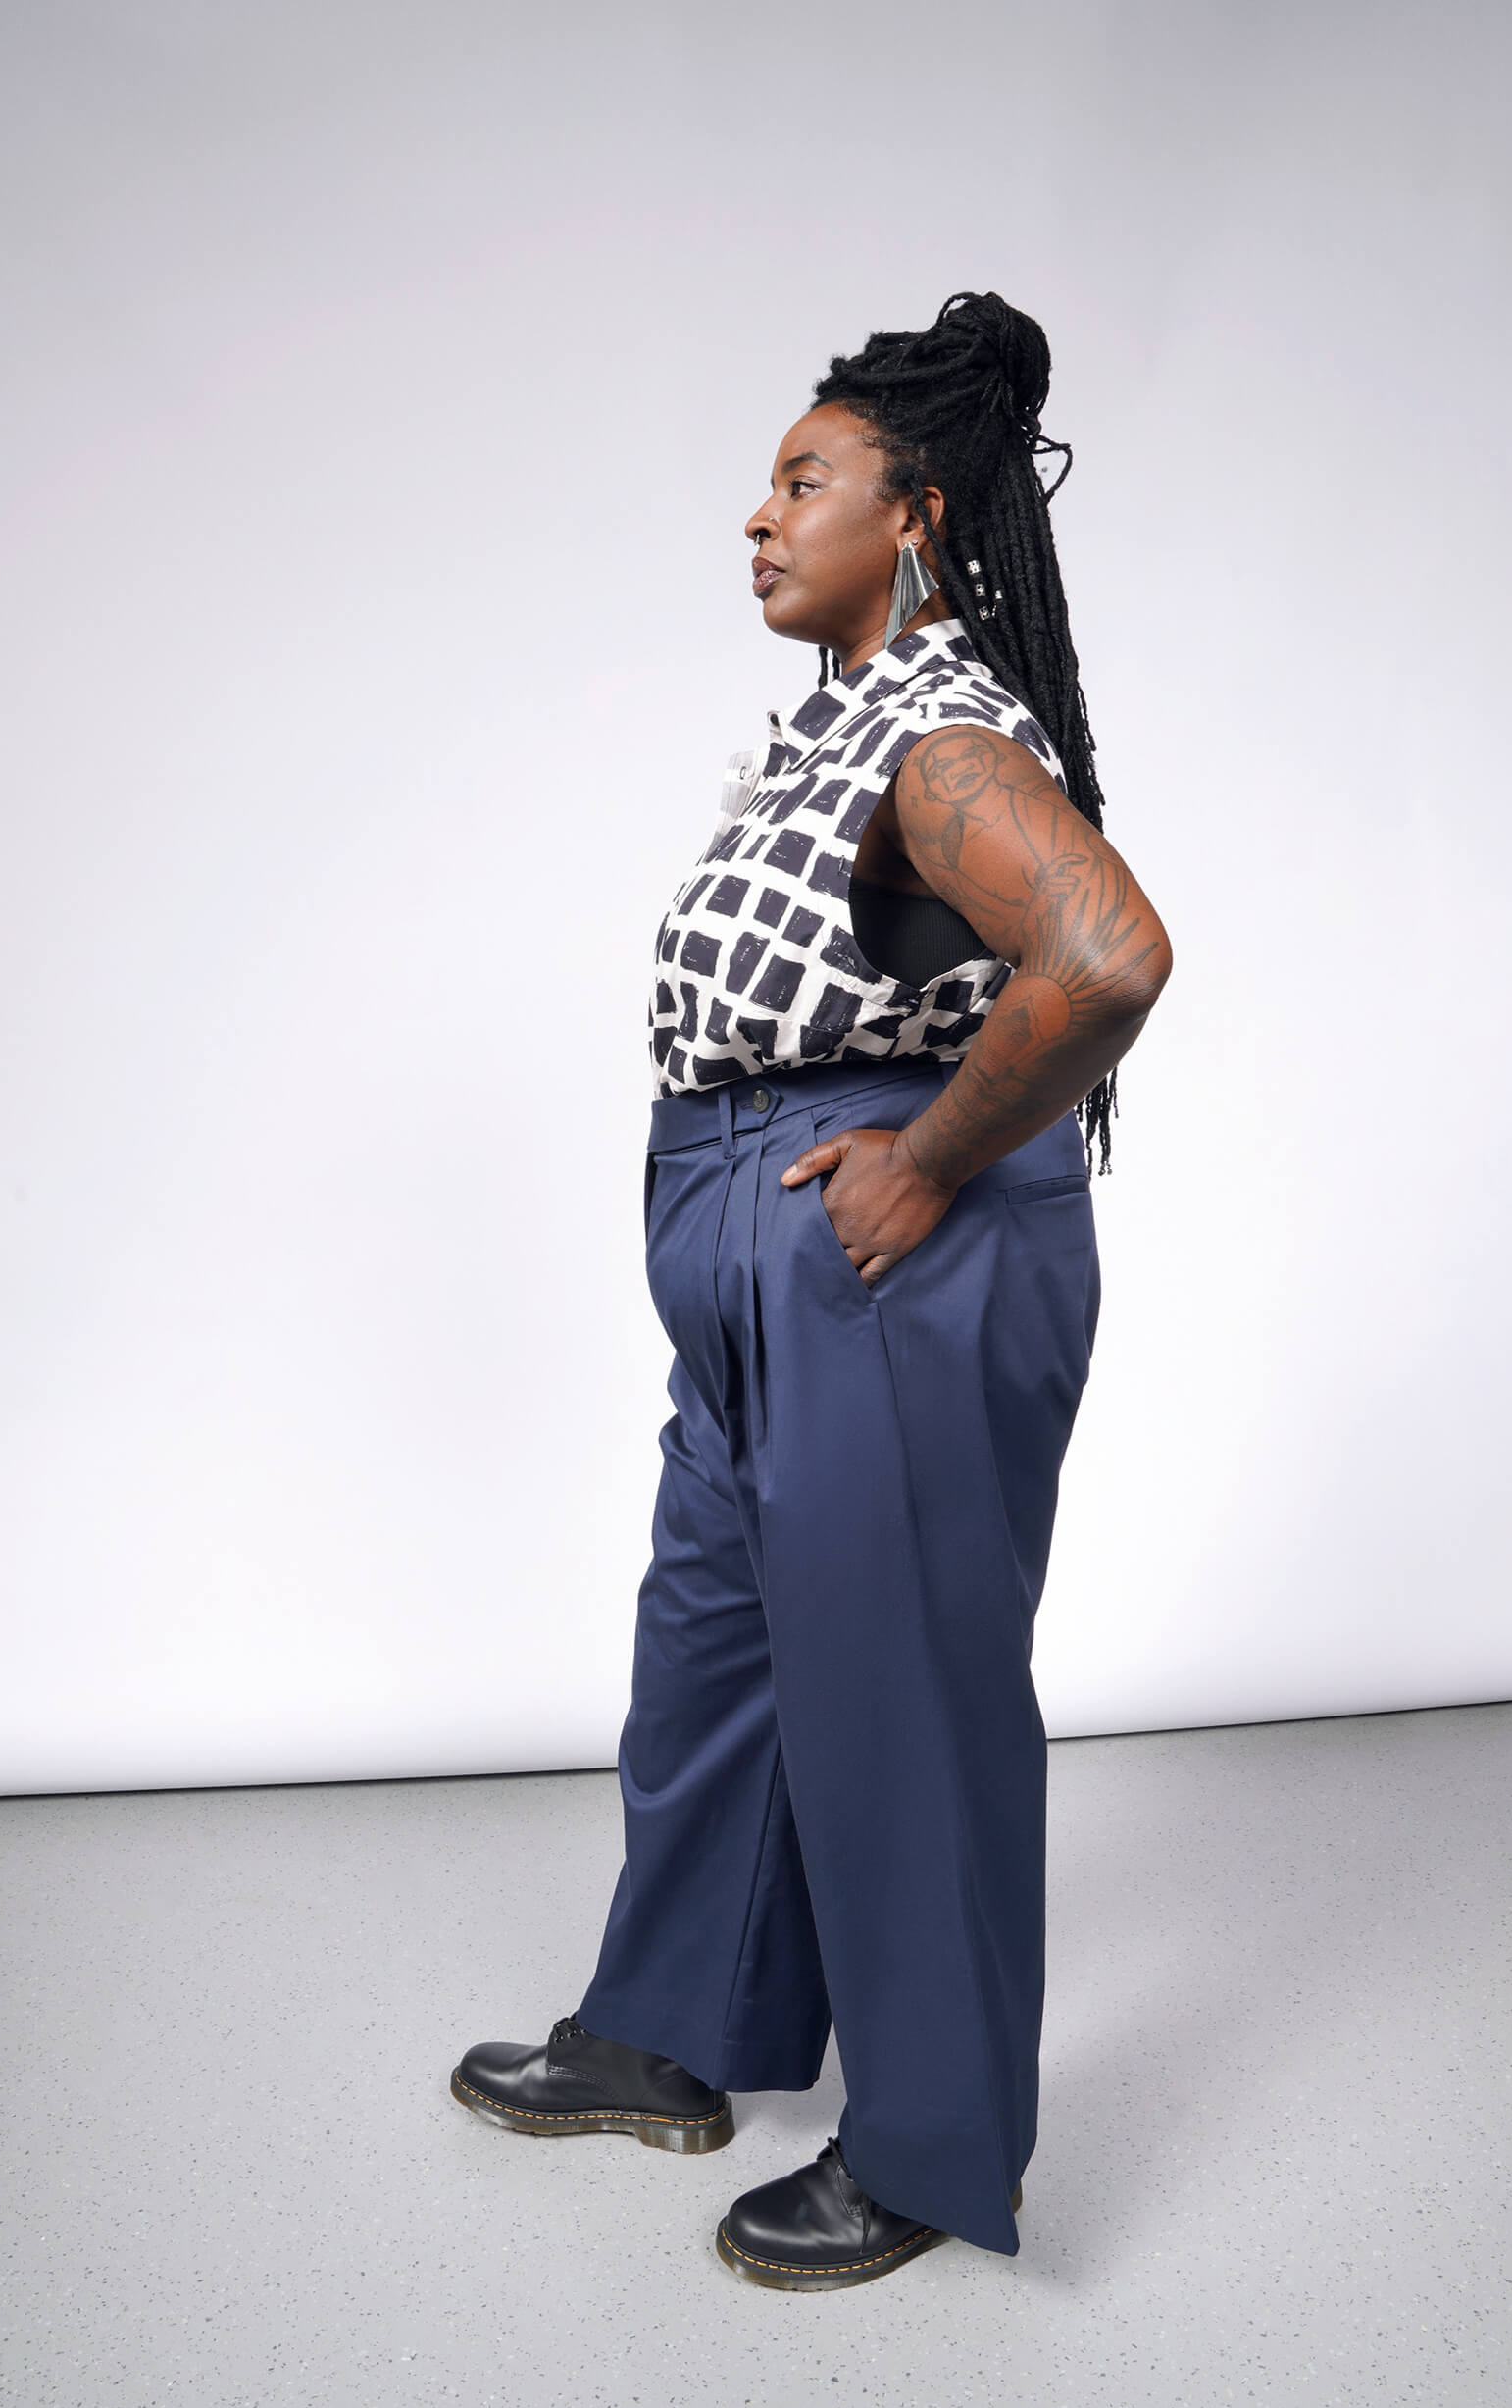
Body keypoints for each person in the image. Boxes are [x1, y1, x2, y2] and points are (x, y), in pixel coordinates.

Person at [452, 292, 1173, 2290]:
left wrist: (927, 1163)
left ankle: (935, 2151)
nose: (757, 520)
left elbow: (1104, 954)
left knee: (904, 1699)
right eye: (767, 485)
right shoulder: (838, 725)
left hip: (887, 1240)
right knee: (717, 1652)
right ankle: (677, 2029)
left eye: (802, 485)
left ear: (918, 518)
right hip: (763, 1227)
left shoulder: (943, 740)